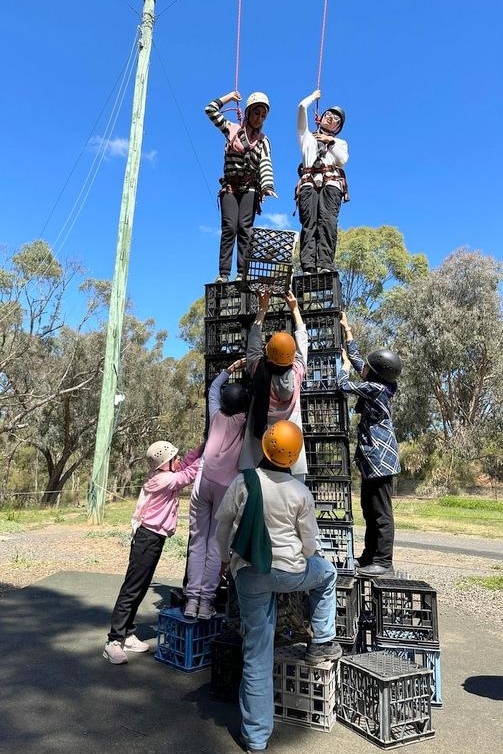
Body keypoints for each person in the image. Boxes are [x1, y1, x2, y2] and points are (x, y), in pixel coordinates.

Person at [216, 419, 341, 754]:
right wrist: (302, 555)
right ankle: (323, 641)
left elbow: (223, 524)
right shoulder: (300, 492)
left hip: (250, 573)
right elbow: (311, 547)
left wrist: (226, 560)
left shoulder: (243, 482)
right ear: (293, 457)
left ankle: (256, 738)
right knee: (327, 574)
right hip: (290, 573)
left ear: (265, 447)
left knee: (257, 653)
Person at [102, 439, 204, 664]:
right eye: (174, 458)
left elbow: (186, 464)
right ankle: (113, 640)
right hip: (147, 538)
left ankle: (127, 633)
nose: (179, 460)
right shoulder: (162, 479)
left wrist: (201, 448)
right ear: (164, 463)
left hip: (154, 538)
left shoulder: (165, 473)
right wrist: (212, 452)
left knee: (141, 586)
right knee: (132, 588)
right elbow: (188, 474)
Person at [183, 358, 250, 620]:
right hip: (226, 487)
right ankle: (205, 604)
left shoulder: (215, 415)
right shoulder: (245, 421)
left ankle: (191, 601)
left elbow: (213, 389)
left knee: (197, 542)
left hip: (203, 481)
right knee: (215, 545)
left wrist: (230, 369)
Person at [338, 312, 402, 577]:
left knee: (380, 513)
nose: (361, 368)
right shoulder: (380, 382)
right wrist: (348, 332)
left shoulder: (375, 389)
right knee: (369, 509)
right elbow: (360, 363)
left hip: (379, 461)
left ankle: (383, 561)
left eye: (367, 368)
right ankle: (369, 556)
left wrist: (341, 366)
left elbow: (343, 384)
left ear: (374, 374)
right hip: (373, 461)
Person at [205, 90, 277, 283]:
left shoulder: (263, 140)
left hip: (250, 188)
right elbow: (210, 110)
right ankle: (223, 273)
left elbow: (265, 162)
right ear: (248, 112)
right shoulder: (231, 129)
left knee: (245, 228)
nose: (259, 118)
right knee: (230, 227)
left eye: (263, 115)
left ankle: (242, 273)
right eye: (256, 113)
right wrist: (229, 97)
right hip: (230, 187)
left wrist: (267, 185)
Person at [239, 290, 308, 478]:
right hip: (290, 453)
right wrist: (295, 309)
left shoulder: (257, 368)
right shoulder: (297, 372)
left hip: (259, 452)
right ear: (292, 357)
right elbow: (302, 342)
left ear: (268, 352)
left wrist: (263, 309)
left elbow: (253, 341)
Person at [297, 88, 349, 274]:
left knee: (327, 222)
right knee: (309, 223)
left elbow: (341, 160)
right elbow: (302, 107)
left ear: (338, 127)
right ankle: (309, 266)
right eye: (328, 114)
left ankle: (325, 264)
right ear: (320, 117)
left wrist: (329, 141)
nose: (330, 119)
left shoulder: (340, 143)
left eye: (336, 119)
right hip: (309, 182)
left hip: (331, 184)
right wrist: (313, 96)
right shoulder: (307, 137)